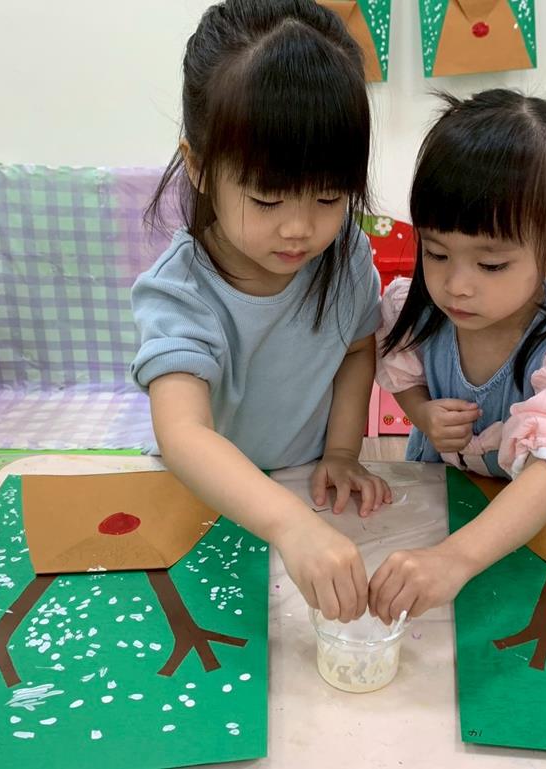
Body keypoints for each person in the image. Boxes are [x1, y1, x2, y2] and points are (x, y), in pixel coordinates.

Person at [131, 0, 390, 623]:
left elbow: (357, 348)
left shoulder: (343, 254)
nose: (300, 228)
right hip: (206, 498)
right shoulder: (180, 291)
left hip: (306, 489)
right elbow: (183, 433)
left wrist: (343, 451)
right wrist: (289, 524)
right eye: (268, 199)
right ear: (198, 168)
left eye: (328, 196)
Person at [369, 89, 546, 624]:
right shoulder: (422, 310)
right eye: (436, 252)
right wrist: (422, 414)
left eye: (491, 265)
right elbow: (403, 371)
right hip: (459, 502)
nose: (456, 285)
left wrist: (455, 559)